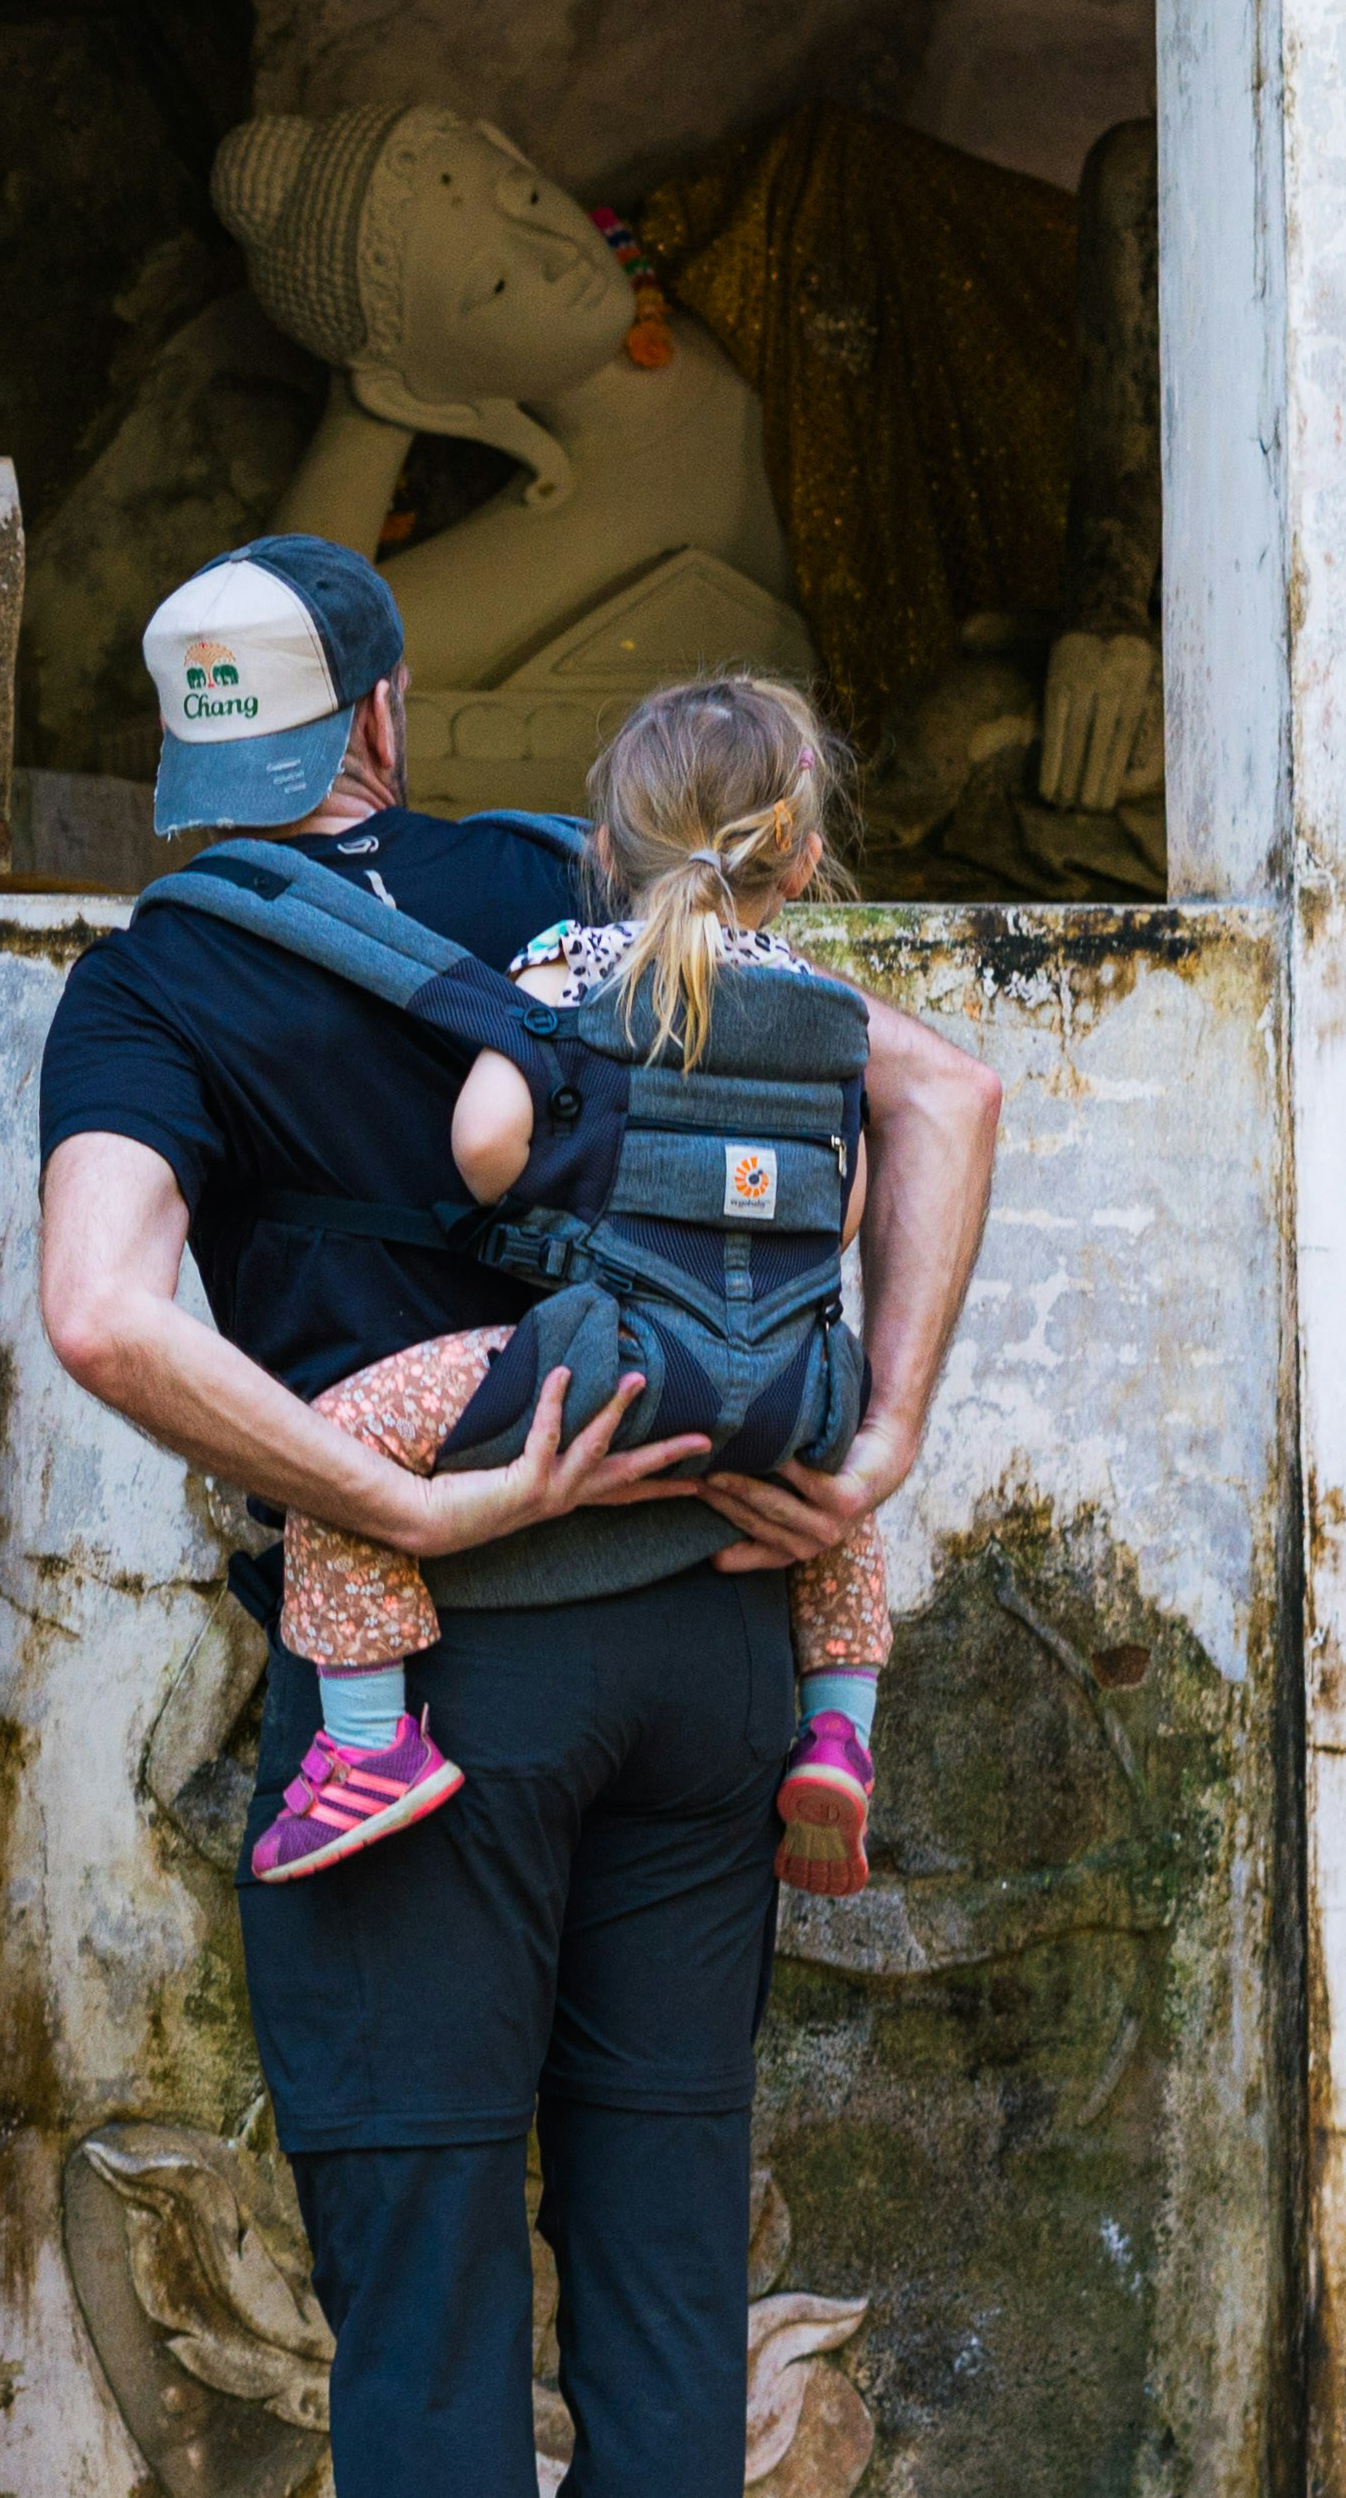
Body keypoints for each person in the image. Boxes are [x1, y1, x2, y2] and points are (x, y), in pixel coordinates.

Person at [37, 536, 1001, 2498]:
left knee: (428, 2316)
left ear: (184, 765)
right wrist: (877, 1437)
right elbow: (945, 1095)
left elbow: (101, 1308)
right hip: (707, 1639)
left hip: (430, 1690)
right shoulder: (563, 885)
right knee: (667, 2287)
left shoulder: (151, 986)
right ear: (383, 713)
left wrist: (393, 1493)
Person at [258, 672, 898, 1900]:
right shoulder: (826, 1014)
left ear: (604, 847)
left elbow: (484, 1148)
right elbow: (847, 1204)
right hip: (786, 1381)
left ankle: (363, 1740)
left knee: (331, 1445)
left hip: (603, 1364)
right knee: (844, 1495)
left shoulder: (565, 970)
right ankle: (838, 1724)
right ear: (802, 860)